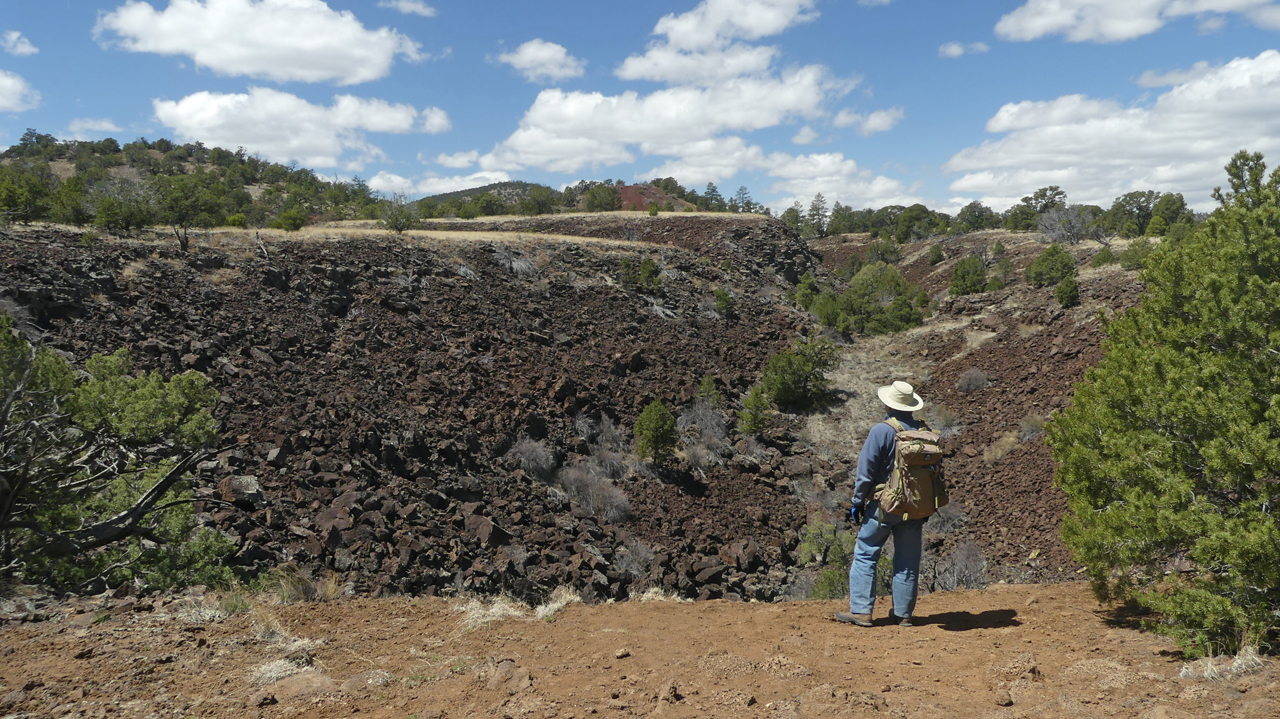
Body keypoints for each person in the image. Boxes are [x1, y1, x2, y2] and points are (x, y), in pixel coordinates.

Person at [835, 380, 928, 627]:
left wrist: (857, 502)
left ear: (888, 403)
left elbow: (865, 472)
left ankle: (862, 611)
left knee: (866, 552)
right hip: (915, 507)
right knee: (908, 561)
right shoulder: (923, 431)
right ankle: (903, 614)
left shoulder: (882, 430)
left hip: (884, 506)